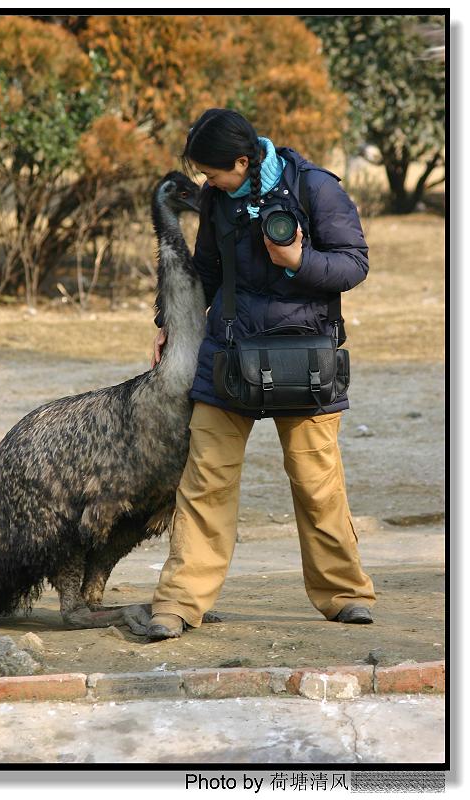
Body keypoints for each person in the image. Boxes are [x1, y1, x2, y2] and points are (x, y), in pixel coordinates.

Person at [147, 108, 376, 640]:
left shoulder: (316, 188)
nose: (206, 183)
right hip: (228, 354)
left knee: (318, 484)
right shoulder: (217, 201)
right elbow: (204, 270)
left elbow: (355, 263)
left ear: (244, 161)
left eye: (212, 172)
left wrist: (298, 258)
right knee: (205, 482)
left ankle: (345, 595)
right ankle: (179, 603)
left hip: (305, 357)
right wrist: (168, 321)